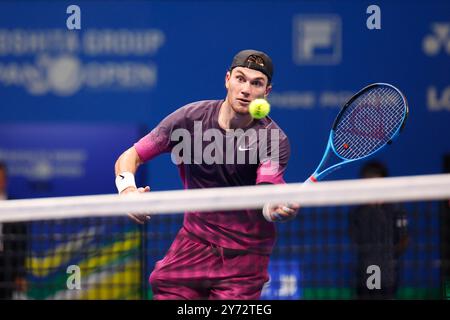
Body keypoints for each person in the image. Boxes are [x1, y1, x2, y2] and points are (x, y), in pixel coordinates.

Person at [114, 49, 299, 300]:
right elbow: (130, 156)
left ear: (266, 93)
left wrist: (275, 208)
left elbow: (267, 192)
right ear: (227, 79)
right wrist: (127, 191)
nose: (246, 89)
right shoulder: (189, 120)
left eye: (256, 83)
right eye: (240, 78)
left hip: (244, 256)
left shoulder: (272, 139)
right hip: (193, 244)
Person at [349, 160, 409, 300]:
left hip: (389, 269)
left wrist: (388, 256)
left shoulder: (396, 209)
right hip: (367, 268)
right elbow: (354, 236)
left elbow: (404, 238)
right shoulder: (357, 211)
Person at [0, 162, 28, 299]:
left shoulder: (15, 207)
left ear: (5, 180)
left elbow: (21, 245)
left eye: (1, 178)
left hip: (7, 266)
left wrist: (20, 275)